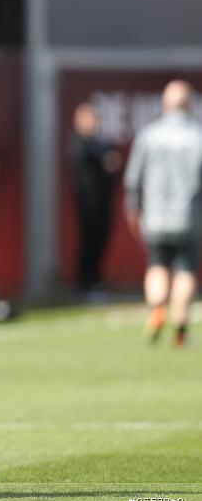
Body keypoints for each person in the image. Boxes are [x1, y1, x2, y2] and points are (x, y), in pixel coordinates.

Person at [124, 80, 202, 347]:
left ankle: (157, 307)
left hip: (155, 216)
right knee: (185, 269)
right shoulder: (198, 136)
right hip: (189, 215)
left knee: (157, 265)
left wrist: (133, 207)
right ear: (189, 103)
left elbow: (133, 177)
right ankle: (180, 327)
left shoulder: (149, 135)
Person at [69, 103, 121, 296]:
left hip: (103, 202)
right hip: (88, 204)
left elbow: (113, 164)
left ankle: (95, 281)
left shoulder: (100, 143)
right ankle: (86, 283)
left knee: (100, 241)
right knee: (89, 242)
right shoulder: (79, 143)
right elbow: (91, 161)